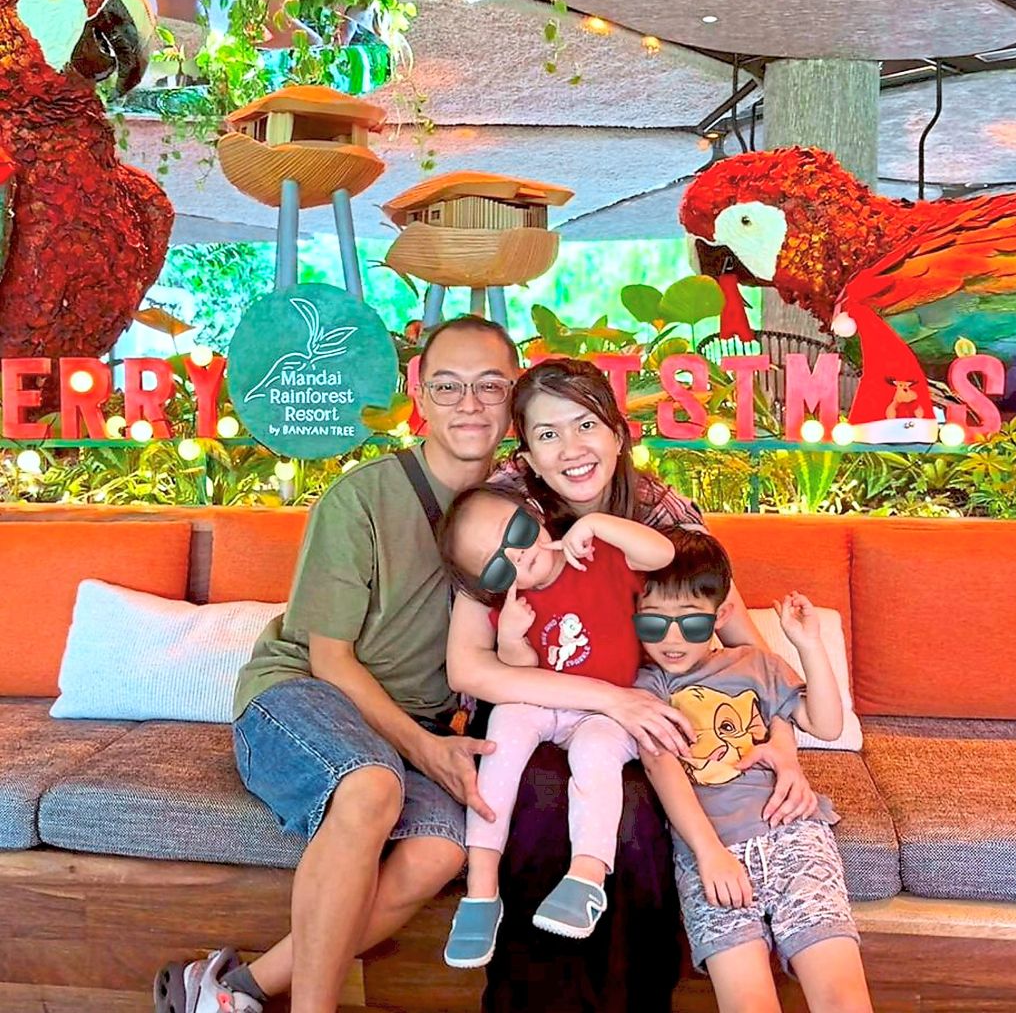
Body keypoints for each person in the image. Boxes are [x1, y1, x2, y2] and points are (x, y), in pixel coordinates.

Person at [154, 315, 520, 1013]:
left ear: (513, 394)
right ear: (419, 390)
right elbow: (329, 657)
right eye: (448, 385)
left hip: (413, 722)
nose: (468, 403)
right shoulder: (362, 499)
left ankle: (230, 992)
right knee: (371, 786)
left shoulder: (523, 509)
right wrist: (425, 747)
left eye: (488, 385)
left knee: (441, 851)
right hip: (303, 694)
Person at [448, 357, 822, 1013]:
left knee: (636, 818)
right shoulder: (506, 511)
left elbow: (731, 629)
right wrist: (609, 698)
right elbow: (470, 667)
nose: (571, 449)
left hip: (639, 716)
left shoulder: (661, 510)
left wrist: (780, 739)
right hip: (534, 706)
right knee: (539, 803)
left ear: (619, 432)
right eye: (546, 434)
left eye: (585, 424)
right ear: (527, 453)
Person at [636, 529, 872, 1013]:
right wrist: (708, 853)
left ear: (722, 616)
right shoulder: (646, 688)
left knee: (842, 999)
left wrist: (807, 646)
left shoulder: (757, 664)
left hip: (793, 836)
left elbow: (826, 724)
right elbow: (661, 767)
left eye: (691, 624)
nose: (673, 639)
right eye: (653, 624)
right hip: (711, 853)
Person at [438, 485, 675, 964]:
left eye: (519, 533)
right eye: (497, 565)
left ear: (536, 516)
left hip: (606, 710)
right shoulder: (510, 605)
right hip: (546, 700)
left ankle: (586, 877)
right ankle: (481, 887)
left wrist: (594, 525)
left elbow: (663, 551)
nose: (519, 557)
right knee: (503, 728)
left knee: (595, 756)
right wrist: (509, 638)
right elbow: (521, 674)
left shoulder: (600, 555)